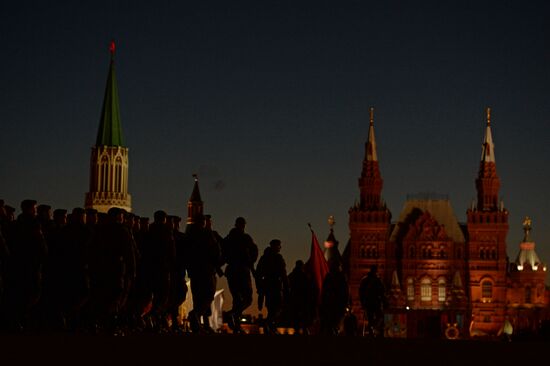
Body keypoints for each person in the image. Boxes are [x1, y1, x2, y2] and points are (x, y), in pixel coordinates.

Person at [184, 213, 223, 334]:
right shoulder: (207, 234)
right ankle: (195, 315)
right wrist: (218, 265)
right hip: (206, 270)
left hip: (194, 271)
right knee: (208, 296)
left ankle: (197, 323)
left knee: (198, 297)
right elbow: (215, 251)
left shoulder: (189, 235)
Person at [221, 217, 258, 333]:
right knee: (247, 298)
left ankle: (235, 320)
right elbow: (253, 253)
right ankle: (234, 315)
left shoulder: (228, 239)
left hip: (233, 270)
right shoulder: (245, 238)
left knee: (237, 299)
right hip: (241, 270)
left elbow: (222, 252)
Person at [255, 239, 288, 334]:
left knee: (271, 308)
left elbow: (258, 273)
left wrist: (260, 287)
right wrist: (286, 286)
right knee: (277, 307)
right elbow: (283, 273)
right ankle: (268, 324)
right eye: (279, 246)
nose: (280, 248)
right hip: (275, 286)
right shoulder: (277, 258)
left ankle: (270, 326)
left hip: (268, 286)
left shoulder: (264, 258)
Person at [319, 260, 349, 335]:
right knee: (336, 318)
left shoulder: (329, 276)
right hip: (337, 303)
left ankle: (333, 329)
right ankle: (334, 329)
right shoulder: (341, 277)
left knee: (332, 319)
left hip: (331, 302)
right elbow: (345, 291)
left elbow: (324, 290)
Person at [286, 260, 316, 335]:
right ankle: (302, 328)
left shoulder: (293, 275)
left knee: (298, 314)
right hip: (300, 299)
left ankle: (299, 328)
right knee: (302, 314)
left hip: (296, 298)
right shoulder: (302, 276)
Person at [359, 264, 386, 337]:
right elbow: (382, 292)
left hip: (370, 302)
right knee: (378, 316)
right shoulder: (376, 280)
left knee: (373, 317)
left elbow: (361, 292)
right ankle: (373, 328)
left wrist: (362, 302)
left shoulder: (365, 280)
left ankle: (372, 328)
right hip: (374, 302)